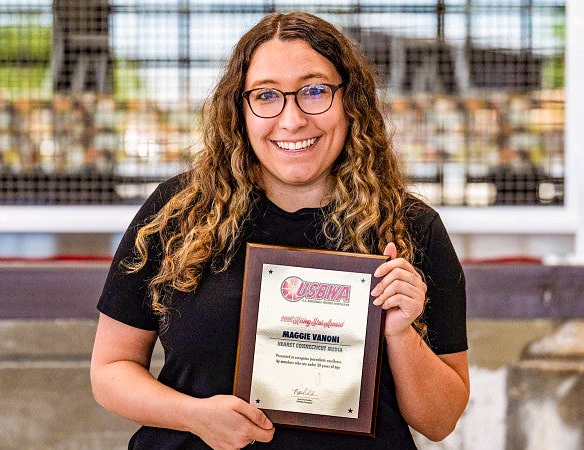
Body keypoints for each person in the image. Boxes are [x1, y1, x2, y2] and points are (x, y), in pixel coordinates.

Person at [91, 11, 469, 449]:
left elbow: (440, 421)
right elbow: (111, 370)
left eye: (314, 91)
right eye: (267, 96)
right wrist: (194, 416)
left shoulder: (411, 229)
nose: (291, 121)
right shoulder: (179, 212)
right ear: (240, 109)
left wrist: (401, 333)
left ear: (351, 101)